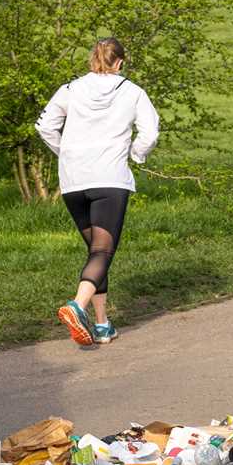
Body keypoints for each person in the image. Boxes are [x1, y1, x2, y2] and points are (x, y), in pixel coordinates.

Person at [35, 38, 159, 347]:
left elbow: (44, 125)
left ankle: (102, 324)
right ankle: (77, 306)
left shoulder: (69, 89)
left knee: (96, 252)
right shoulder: (132, 92)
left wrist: (66, 152)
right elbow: (151, 131)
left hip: (74, 181)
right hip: (109, 180)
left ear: (93, 60)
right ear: (119, 63)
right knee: (103, 252)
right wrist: (136, 153)